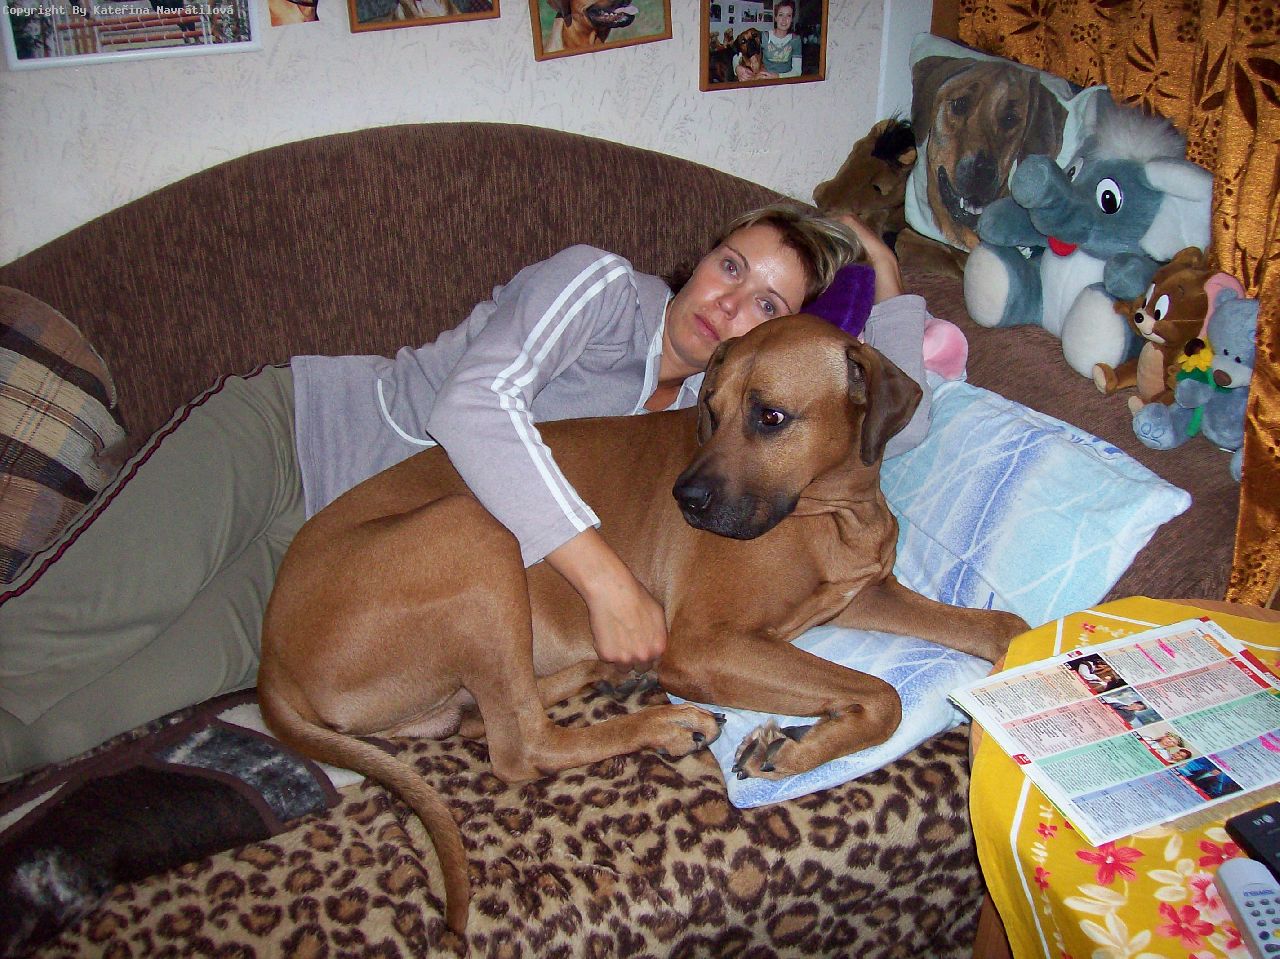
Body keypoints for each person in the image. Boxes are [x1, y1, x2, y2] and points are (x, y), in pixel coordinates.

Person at [0, 202, 935, 780]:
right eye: (730, 264)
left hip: (349, 568)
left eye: (767, 303)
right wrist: (607, 581)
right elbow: (473, 406)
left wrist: (890, 285)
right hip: (289, 444)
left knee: (74, 725)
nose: (729, 303)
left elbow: (888, 420)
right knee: (44, 640)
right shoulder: (602, 288)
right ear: (701, 257)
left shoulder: (706, 417)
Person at [761, 1, 802, 79]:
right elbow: (740, 54)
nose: (784, 19)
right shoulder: (764, 36)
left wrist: (778, 76)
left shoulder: (795, 40)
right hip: (765, 81)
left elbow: (797, 72)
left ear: (792, 19)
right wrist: (738, 68)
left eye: (788, 16)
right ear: (775, 18)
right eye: (781, 15)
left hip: (786, 82)